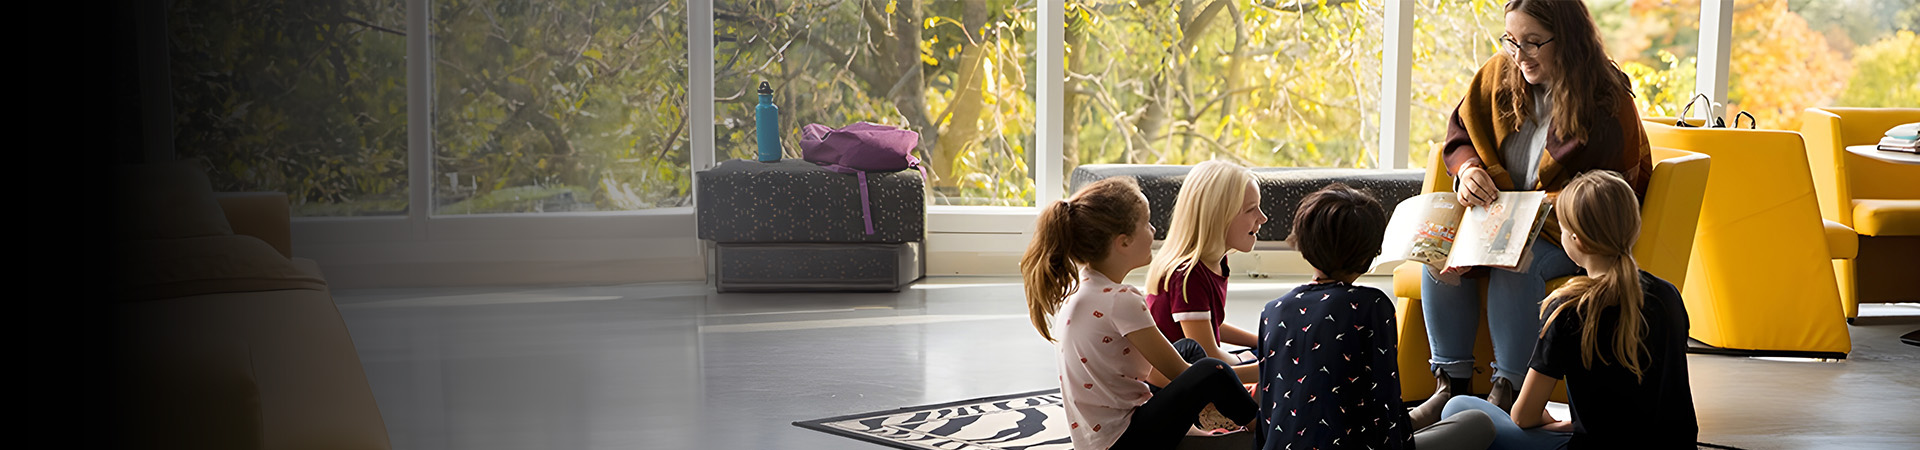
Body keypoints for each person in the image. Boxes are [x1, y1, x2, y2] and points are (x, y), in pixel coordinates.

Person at [1411, 0, 1657, 425]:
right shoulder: (1497, 74)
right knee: (1439, 256)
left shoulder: (1605, 99)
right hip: (1498, 216)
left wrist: (1538, 210)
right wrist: (1469, 170)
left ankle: (1509, 388)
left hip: (1573, 230)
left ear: (1569, 39)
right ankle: (1449, 384)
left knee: (1516, 262)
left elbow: (1614, 191)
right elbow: (1461, 133)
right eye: (1511, 40)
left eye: (1533, 42)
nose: (1519, 55)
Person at [1438, 170, 1698, 449]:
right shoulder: (1669, 294)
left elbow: (1523, 416)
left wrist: (1558, 423)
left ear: (1578, 241)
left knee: (1458, 407)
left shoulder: (1570, 310)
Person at [1022, 177, 1261, 450]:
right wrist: (1261, 370)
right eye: (1146, 223)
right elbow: (1183, 373)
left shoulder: (1084, 287)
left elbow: (1155, 373)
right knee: (1209, 371)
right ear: (1123, 242)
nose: (1153, 229)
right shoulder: (1121, 300)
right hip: (1124, 441)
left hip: (1099, 437)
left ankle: (1198, 431)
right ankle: (1262, 430)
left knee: (1188, 349)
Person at [1256, 184, 1496, 450]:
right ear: (1369, 255)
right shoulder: (1371, 305)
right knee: (1479, 423)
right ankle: (1428, 412)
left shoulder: (1272, 310)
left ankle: (1424, 414)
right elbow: (1385, 399)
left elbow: (1268, 408)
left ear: (1302, 243)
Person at [1146, 160, 1269, 365]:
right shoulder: (1188, 275)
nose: (1262, 218)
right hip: (1179, 383)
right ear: (1218, 216)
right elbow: (1207, 355)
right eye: (1251, 210)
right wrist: (1248, 360)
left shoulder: (1216, 262)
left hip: (1201, 368)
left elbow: (1210, 326)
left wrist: (1263, 342)